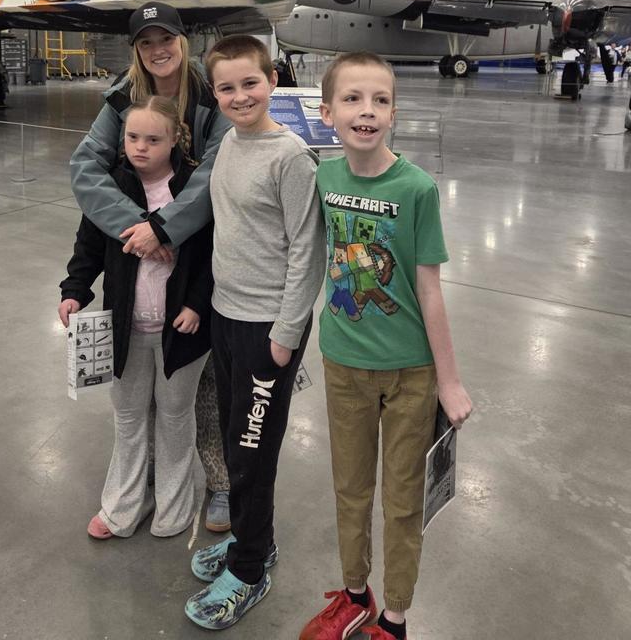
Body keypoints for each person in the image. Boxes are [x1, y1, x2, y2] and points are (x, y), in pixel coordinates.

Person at [298, 51, 473, 640]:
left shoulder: (417, 188)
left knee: (401, 501)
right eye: (352, 99)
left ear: (394, 112)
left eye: (379, 100)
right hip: (344, 363)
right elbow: (309, 258)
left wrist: (449, 382)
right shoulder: (324, 177)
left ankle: (393, 618)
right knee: (350, 488)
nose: (366, 111)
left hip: (410, 374)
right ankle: (354, 593)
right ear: (327, 113)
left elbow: (429, 289)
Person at [69, 2, 232, 532]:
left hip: (197, 281)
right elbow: (86, 172)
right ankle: (132, 497)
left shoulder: (212, 95)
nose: (157, 50)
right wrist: (137, 229)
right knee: (135, 410)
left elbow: (215, 176)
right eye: (145, 42)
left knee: (196, 403)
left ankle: (212, 490)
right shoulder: (121, 98)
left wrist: (168, 229)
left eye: (167, 38)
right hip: (132, 301)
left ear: (185, 40)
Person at [184, 35, 326, 630]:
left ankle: (248, 569)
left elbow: (308, 251)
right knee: (234, 437)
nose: (239, 95)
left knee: (251, 451)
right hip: (226, 314)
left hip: (269, 326)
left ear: (272, 81)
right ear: (214, 93)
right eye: (226, 86)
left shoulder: (290, 155)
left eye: (250, 83)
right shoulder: (229, 147)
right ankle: (251, 538)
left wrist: (287, 332)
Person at [59, 96, 213, 538]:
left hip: (182, 333)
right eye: (131, 137)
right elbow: (88, 246)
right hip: (125, 328)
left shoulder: (194, 189)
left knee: (175, 417)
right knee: (128, 420)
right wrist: (74, 292)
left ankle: (174, 504)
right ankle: (123, 505)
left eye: (153, 139)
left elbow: (210, 255)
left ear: (175, 141)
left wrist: (195, 304)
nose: (140, 147)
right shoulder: (110, 186)